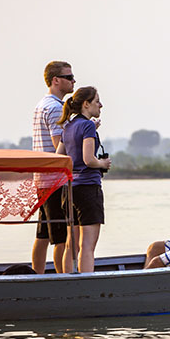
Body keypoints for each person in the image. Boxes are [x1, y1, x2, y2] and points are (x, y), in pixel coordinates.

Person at [55, 86, 112, 272]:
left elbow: (59, 157)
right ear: (86, 104)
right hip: (88, 188)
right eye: (97, 101)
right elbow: (89, 160)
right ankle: (86, 285)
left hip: (70, 190)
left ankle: (66, 282)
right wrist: (103, 164)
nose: (101, 105)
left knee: (71, 245)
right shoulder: (86, 126)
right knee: (87, 246)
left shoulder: (68, 127)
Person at [30, 60, 75, 274]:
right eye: (69, 77)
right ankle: (62, 279)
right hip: (56, 180)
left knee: (43, 234)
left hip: (41, 178)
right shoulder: (57, 109)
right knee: (61, 237)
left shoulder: (41, 105)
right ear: (56, 80)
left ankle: (36, 276)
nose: (73, 81)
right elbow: (60, 148)